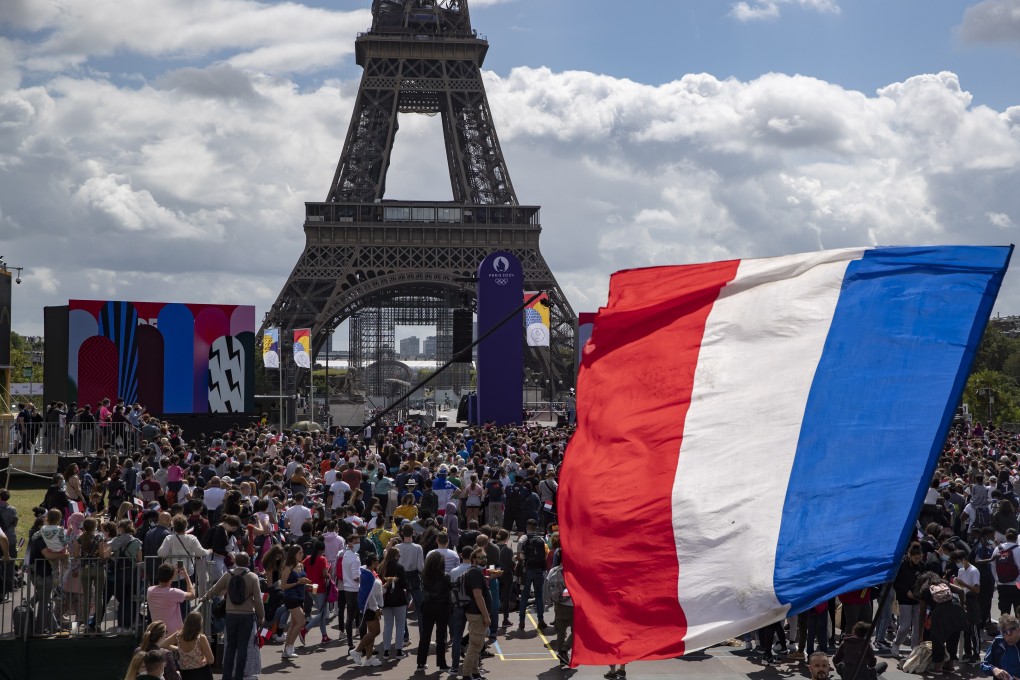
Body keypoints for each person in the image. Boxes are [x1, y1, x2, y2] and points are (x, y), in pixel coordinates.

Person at [203, 552, 265, 680]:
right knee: (242, 647)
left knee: (230, 646)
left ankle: (226, 676)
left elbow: (215, 589)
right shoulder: (253, 577)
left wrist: (205, 597)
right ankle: (238, 676)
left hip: (230, 614)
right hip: (247, 615)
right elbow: (258, 600)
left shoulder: (228, 574)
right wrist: (261, 616)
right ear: (248, 562)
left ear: (236, 561)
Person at [418, 550, 452, 671]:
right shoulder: (446, 577)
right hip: (442, 607)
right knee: (441, 636)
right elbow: (452, 590)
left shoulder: (424, 576)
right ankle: (441, 664)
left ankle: (421, 663)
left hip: (427, 606)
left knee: (425, 635)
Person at [462, 547, 491, 680]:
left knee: (477, 645)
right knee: (475, 645)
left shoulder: (474, 572)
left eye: (485, 557)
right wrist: (486, 615)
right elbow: (478, 596)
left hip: (475, 613)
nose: (484, 560)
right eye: (481, 558)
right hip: (477, 614)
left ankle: (474, 672)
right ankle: (467, 674)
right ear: (474, 559)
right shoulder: (475, 573)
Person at [351, 553, 384, 667]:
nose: (378, 562)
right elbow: (370, 595)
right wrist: (376, 609)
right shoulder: (369, 575)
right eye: (377, 560)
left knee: (372, 633)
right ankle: (357, 650)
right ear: (372, 562)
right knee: (375, 632)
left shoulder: (366, 572)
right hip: (370, 608)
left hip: (369, 607)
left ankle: (369, 659)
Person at [280, 544, 311, 659]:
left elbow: (302, 581)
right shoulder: (287, 567)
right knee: (301, 621)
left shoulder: (301, 565)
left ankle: (285, 650)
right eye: (300, 553)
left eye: (302, 552)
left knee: (293, 624)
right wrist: (297, 583)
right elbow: (283, 586)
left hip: (300, 597)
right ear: (294, 554)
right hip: (290, 597)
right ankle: (290, 647)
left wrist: (308, 584)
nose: (302, 555)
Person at [147, 563, 196, 635]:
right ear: (172, 577)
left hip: (157, 632)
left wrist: (172, 576)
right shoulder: (174, 593)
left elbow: (165, 584)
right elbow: (192, 594)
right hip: (173, 634)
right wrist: (186, 575)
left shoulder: (150, 590)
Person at [379, 546, 410, 660]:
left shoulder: (382, 567)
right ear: (396, 556)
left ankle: (386, 651)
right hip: (399, 599)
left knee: (387, 625)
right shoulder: (400, 567)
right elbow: (404, 584)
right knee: (400, 625)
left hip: (386, 599)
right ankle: (398, 651)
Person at [517, 518, 548, 629]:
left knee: (524, 595)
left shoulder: (525, 537)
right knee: (538, 595)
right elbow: (546, 552)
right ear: (536, 528)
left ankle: (521, 620)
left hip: (527, 569)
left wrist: (520, 557)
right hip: (539, 569)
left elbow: (520, 544)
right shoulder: (541, 539)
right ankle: (541, 619)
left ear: (527, 527)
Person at [165, 611, 215, 680]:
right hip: (202, 672)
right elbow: (211, 660)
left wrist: (179, 648)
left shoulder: (178, 636)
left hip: (186, 674)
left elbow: (163, 644)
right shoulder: (201, 638)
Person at [545, 552, 573, 667]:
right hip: (571, 605)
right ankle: (565, 649)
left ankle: (562, 657)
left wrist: (548, 600)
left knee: (561, 631)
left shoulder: (553, 571)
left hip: (558, 605)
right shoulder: (572, 572)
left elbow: (547, 586)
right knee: (578, 630)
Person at [303, 539, 333, 644]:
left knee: (321, 613)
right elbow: (325, 574)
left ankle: (324, 636)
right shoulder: (322, 559)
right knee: (322, 613)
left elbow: (301, 567)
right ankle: (305, 630)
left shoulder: (308, 559)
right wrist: (329, 572)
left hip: (311, 588)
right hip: (320, 588)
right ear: (322, 549)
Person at [341, 532, 363, 648]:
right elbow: (356, 577)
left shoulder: (346, 554)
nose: (358, 544)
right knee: (360, 616)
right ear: (349, 544)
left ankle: (350, 643)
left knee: (350, 617)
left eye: (358, 542)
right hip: (355, 590)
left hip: (347, 588)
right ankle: (363, 644)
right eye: (355, 542)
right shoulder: (354, 557)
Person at [982, 613, 1020, 679]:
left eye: (1009, 633)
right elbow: (984, 664)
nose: (1006, 638)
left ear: (1018, 630)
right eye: (1003, 634)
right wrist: (994, 669)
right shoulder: (998, 641)